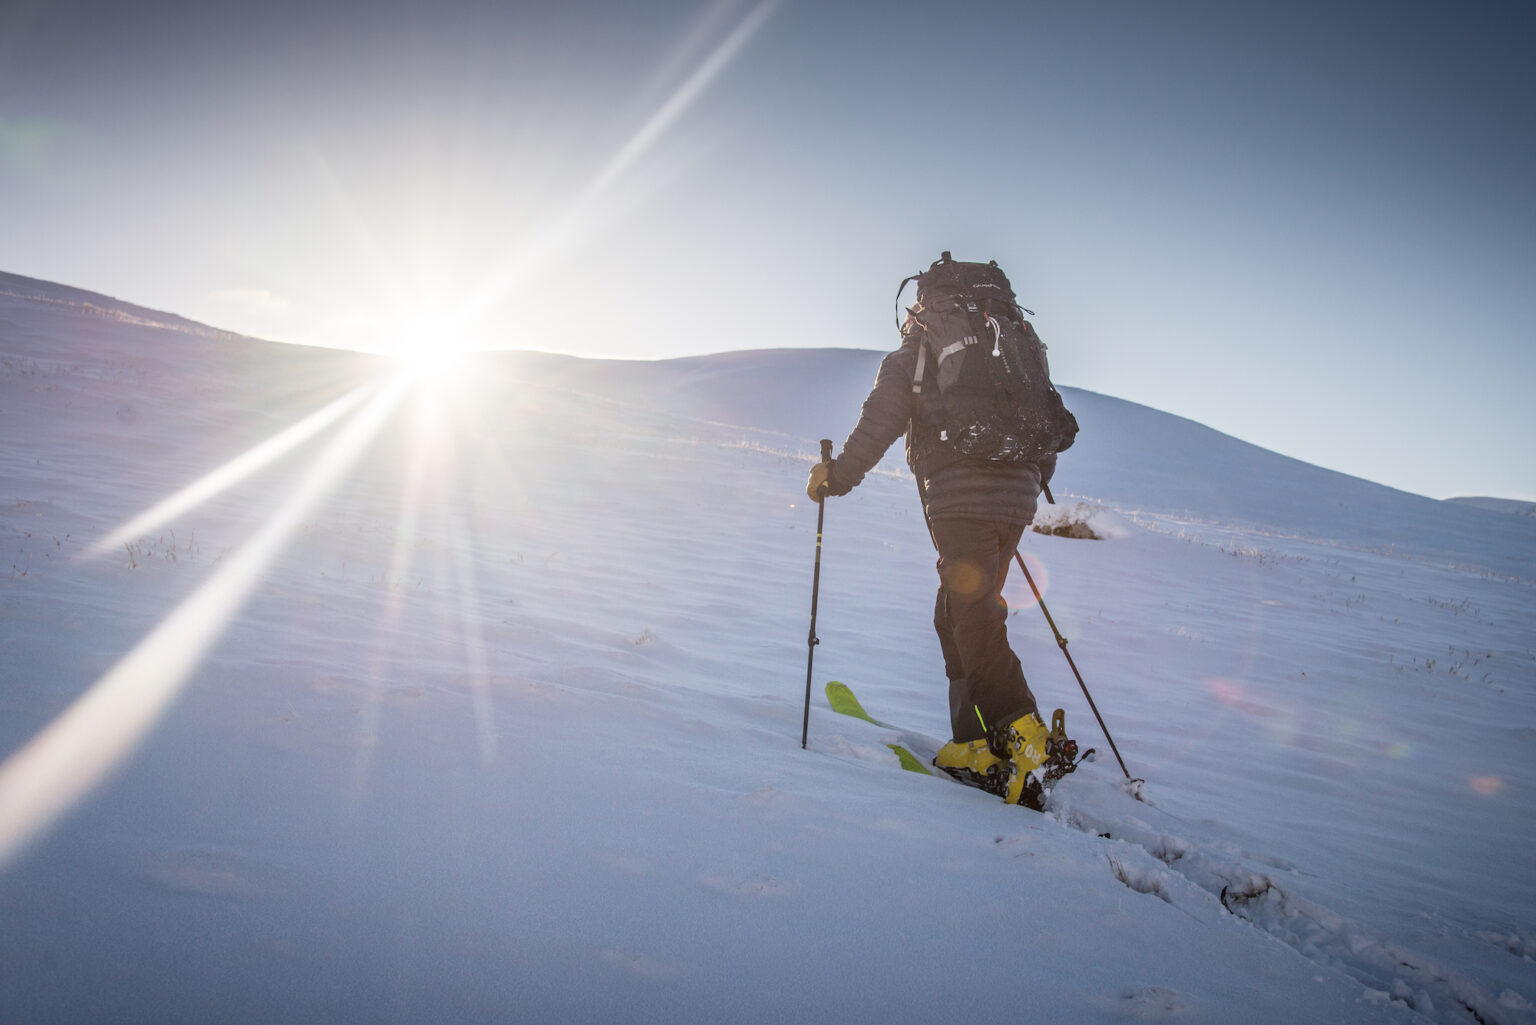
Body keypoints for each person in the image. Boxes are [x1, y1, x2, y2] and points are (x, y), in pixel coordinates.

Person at [805, 254, 1077, 808]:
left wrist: (838, 477)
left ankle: (1020, 730)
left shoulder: (924, 337)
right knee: (956, 610)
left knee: (973, 615)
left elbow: (884, 412)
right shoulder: (1012, 340)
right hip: (1019, 490)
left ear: (923, 298)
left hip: (959, 492)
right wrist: (1022, 487)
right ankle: (974, 742)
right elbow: (1044, 422)